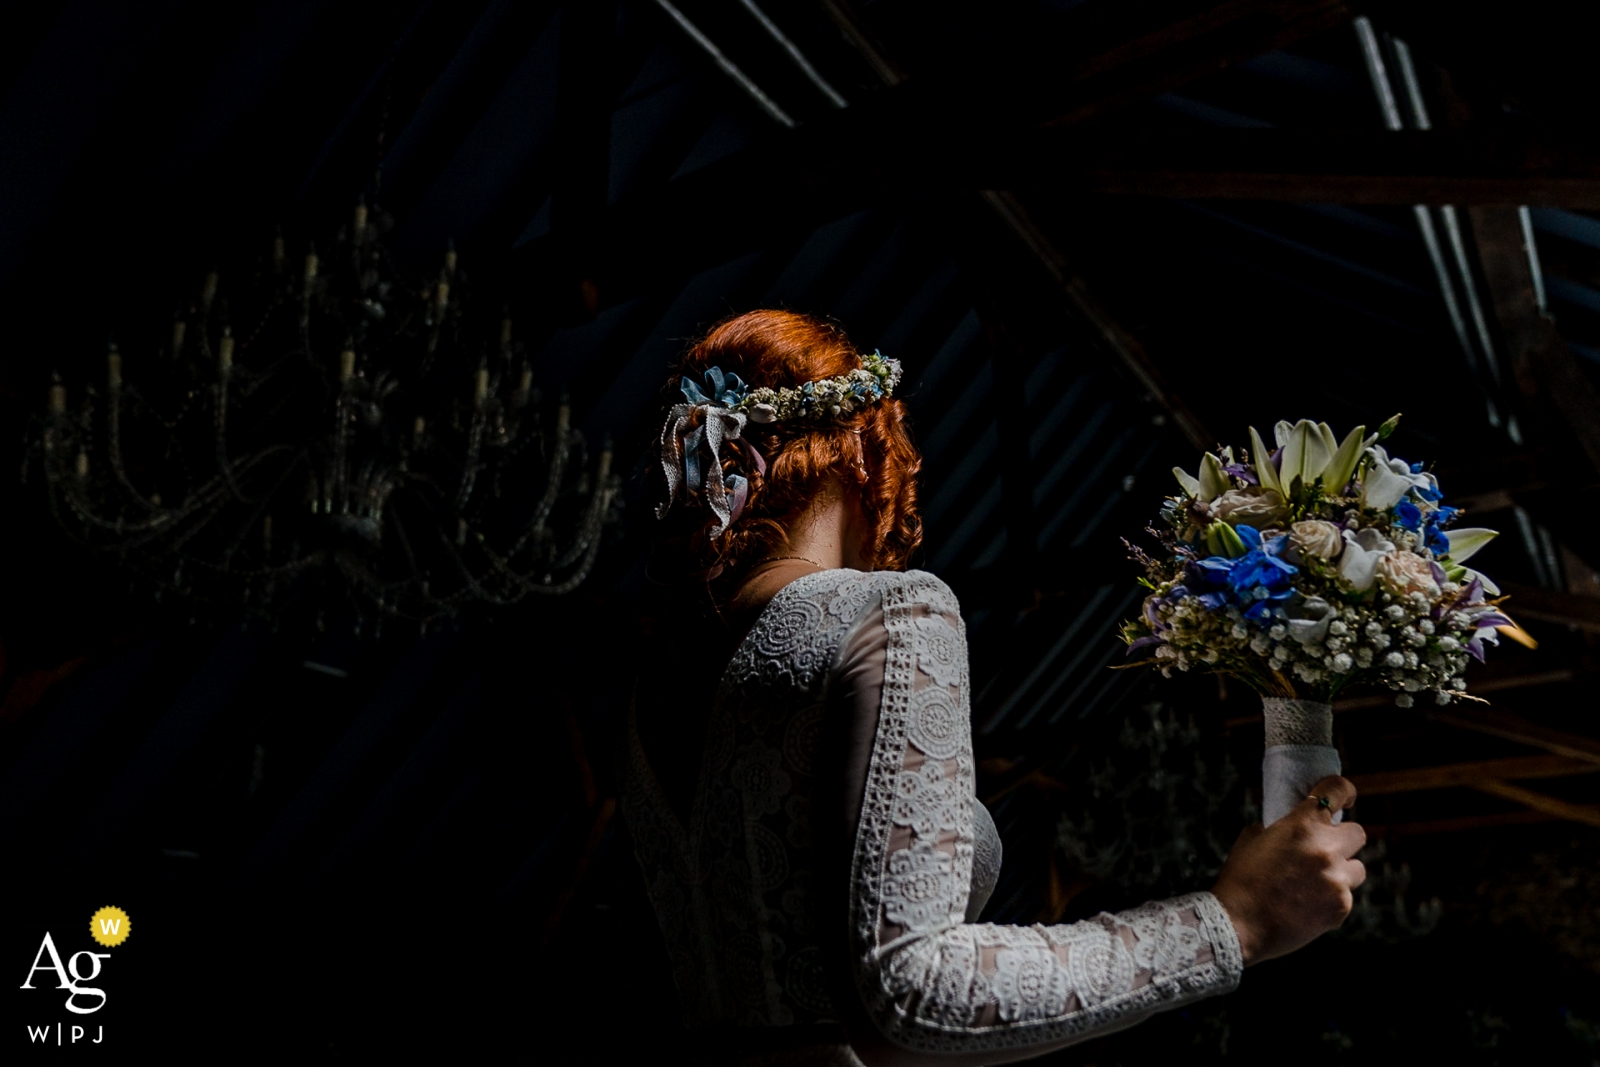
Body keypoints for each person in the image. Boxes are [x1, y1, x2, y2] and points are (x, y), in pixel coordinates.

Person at [623, 310, 1366, 1067]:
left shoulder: (656, 685)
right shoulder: (889, 613)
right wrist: (1233, 919)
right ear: (862, 456)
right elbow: (911, 994)